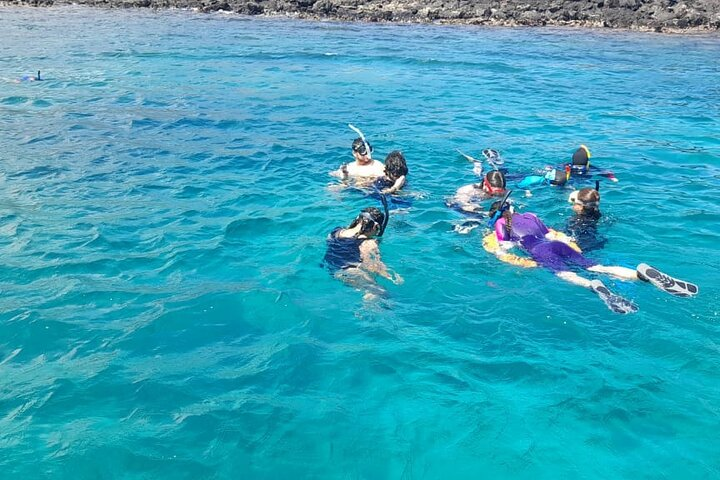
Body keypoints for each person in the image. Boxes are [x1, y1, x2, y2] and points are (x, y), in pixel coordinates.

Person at [482, 194, 698, 313]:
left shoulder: (500, 225)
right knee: (596, 266)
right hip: (558, 243)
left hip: (540, 251)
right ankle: (640, 274)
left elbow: (505, 251)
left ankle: (592, 285)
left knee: (565, 274)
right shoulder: (529, 215)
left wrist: (527, 264)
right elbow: (551, 234)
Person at [322, 204, 402, 300]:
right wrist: (391, 276)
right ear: (375, 226)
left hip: (329, 266)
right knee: (381, 293)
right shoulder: (369, 243)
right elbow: (372, 265)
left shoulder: (336, 231)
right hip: (350, 272)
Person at [565, 183, 607, 253]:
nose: (573, 204)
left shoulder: (576, 222)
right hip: (597, 242)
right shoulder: (597, 214)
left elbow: (570, 240)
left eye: (574, 202)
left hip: (583, 246)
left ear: (580, 207)